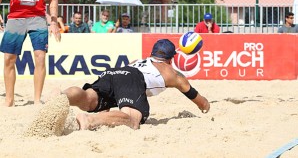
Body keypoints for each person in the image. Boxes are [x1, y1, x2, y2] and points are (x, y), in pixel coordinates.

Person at [59, 39, 210, 130]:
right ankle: (90, 120)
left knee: (88, 98)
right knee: (132, 119)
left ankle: (58, 98)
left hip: (117, 71)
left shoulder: (137, 61)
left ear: (152, 53)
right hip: (133, 77)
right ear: (171, 59)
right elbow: (200, 102)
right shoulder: (174, 75)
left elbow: (120, 85)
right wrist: (206, 105)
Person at [0, 0, 61, 107]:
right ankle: (9, 100)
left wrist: (53, 22)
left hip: (38, 18)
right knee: (9, 59)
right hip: (16, 17)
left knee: (40, 57)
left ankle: (37, 100)